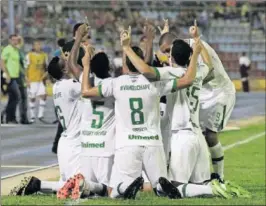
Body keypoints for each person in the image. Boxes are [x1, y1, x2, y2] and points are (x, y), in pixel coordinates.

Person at [121, 25, 233, 199]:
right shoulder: (198, 72)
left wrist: (127, 48)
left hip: (182, 137)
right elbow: (209, 66)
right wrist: (196, 43)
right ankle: (211, 186)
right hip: (198, 138)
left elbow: (146, 71)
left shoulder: (172, 73)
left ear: (172, 58)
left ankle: (213, 189)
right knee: (199, 184)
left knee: (170, 188)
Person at [158, 21, 236, 184]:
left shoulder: (196, 48)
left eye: (167, 52)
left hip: (219, 92)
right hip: (202, 91)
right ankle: (198, 173)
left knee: (210, 135)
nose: (166, 57)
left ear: (173, 46)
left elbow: (210, 74)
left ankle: (219, 176)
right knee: (195, 130)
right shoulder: (180, 49)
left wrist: (190, 78)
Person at [9, 55, 82, 197]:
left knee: (67, 183)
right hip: (74, 142)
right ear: (65, 69)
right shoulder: (71, 85)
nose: (69, 61)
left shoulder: (56, 87)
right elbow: (88, 86)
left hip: (65, 141)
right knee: (79, 185)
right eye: (65, 62)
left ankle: (38, 185)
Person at [61, 24, 115, 200]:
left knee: (90, 193)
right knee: (108, 192)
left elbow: (70, 63)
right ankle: (89, 186)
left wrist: (78, 39)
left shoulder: (86, 80)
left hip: (86, 145)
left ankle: (85, 185)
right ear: (109, 67)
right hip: (105, 146)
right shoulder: (114, 85)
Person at [1, 34, 29, 124]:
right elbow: (1, 62)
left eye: (17, 40)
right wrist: (7, 74)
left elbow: (22, 42)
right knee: (17, 96)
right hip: (10, 77)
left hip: (17, 77)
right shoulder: (7, 49)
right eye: (13, 40)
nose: (15, 41)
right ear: (10, 40)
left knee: (13, 98)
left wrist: (20, 38)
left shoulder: (16, 50)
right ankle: (10, 118)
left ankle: (6, 116)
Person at [26, 40, 48, 123]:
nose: (39, 46)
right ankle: (32, 116)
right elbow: (26, 68)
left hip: (41, 79)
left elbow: (46, 67)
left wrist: (46, 76)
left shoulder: (44, 55)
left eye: (40, 44)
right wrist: (27, 79)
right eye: (37, 45)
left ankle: (40, 115)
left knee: (43, 96)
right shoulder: (29, 55)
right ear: (33, 46)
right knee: (32, 98)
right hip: (32, 80)